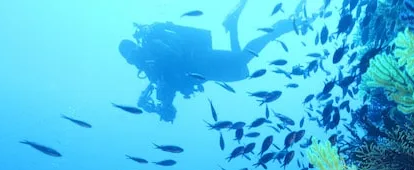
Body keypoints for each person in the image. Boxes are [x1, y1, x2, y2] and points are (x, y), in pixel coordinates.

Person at [118, 0, 311, 121]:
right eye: (128, 58)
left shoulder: (153, 47)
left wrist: (162, 83)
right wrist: (158, 107)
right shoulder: (151, 71)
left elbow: (175, 58)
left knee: (241, 59)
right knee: (241, 71)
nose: (132, 59)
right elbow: (171, 103)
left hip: (200, 58)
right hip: (204, 73)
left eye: (131, 52)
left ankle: (279, 28)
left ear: (136, 46)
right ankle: (232, 24)